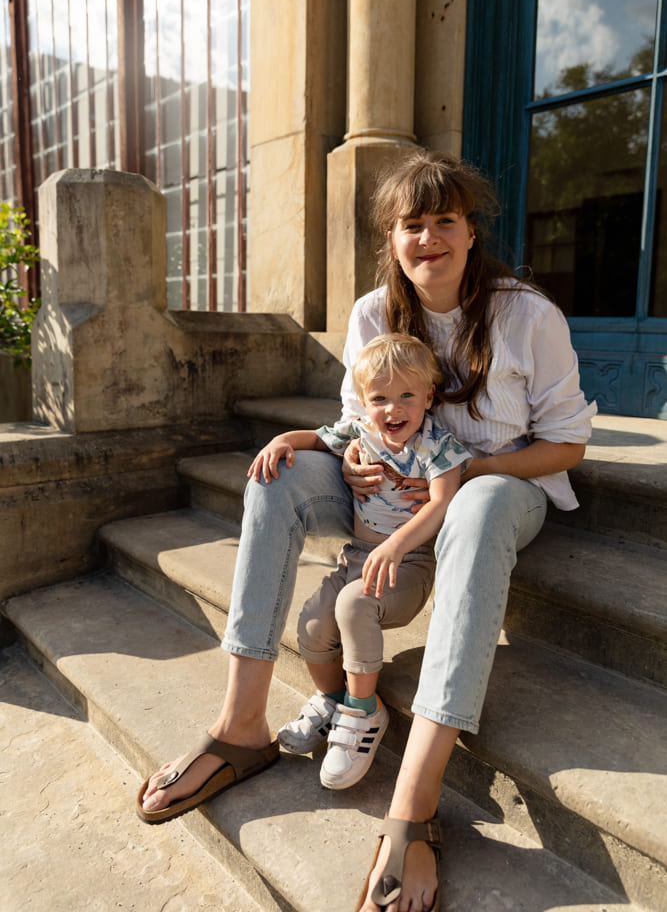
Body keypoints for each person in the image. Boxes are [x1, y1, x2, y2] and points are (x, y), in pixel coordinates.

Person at [137, 151, 596, 912]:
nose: (428, 239)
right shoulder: (371, 313)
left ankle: (413, 805)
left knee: (477, 508)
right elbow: (359, 422)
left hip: (496, 496)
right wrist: (342, 454)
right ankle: (241, 723)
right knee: (274, 471)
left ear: (470, 233)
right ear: (391, 238)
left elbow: (567, 445)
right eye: (410, 225)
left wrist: (471, 475)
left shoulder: (526, 314)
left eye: (443, 221)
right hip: (387, 503)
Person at [247, 333, 469, 790]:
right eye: (380, 398)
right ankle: (332, 699)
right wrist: (279, 441)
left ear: (429, 396)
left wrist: (397, 544)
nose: (394, 409)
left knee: (353, 606)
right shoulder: (360, 432)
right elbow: (312, 437)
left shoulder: (437, 446)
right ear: (364, 402)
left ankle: (364, 715)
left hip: (406, 565)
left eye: (407, 395)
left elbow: (443, 501)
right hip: (357, 558)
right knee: (311, 625)